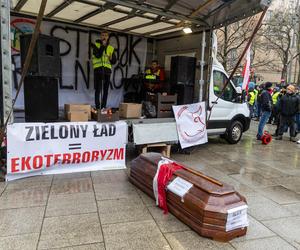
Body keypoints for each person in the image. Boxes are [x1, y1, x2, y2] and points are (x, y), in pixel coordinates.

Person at [91, 31, 117, 109]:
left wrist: (111, 59)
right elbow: (98, 55)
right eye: (103, 35)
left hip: (107, 71)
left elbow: (114, 61)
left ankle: (103, 107)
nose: (104, 37)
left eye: (106, 35)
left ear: (108, 37)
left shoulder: (111, 48)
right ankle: (98, 107)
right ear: (100, 36)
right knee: (98, 90)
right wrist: (102, 46)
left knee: (105, 90)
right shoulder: (96, 45)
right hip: (98, 70)